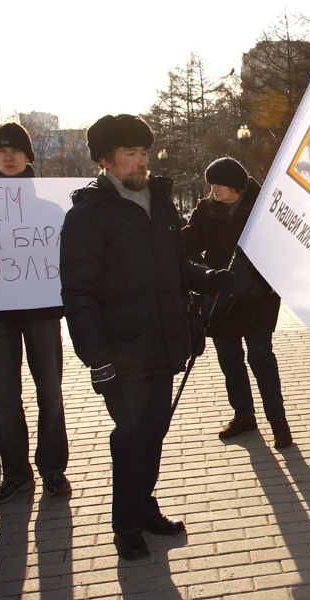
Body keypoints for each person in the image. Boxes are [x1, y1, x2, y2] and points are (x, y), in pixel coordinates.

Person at [60, 114, 234, 560]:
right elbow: (78, 293)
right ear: (105, 161)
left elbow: (178, 265)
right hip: (121, 351)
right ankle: (126, 527)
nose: (141, 162)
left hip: (163, 341)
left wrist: (209, 277)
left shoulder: (159, 202)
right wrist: (95, 356)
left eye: (144, 153)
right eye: (130, 154)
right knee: (132, 433)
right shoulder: (88, 215)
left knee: (155, 430)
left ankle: (144, 506)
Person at [182, 157, 292, 449]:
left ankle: (278, 421)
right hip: (221, 296)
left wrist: (266, 281)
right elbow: (188, 246)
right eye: (211, 184)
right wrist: (206, 274)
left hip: (258, 297)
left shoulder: (264, 204)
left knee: (260, 356)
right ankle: (243, 415)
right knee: (230, 360)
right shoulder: (206, 209)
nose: (213, 189)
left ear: (236, 186)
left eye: (218, 184)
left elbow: (283, 247)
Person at [0, 122, 71, 503]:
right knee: (3, 397)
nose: (8, 157)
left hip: (42, 312)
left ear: (28, 157)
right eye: (1, 151)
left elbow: (67, 260)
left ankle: (53, 468)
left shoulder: (49, 208)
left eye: (16, 151)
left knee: (50, 393)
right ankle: (17, 474)